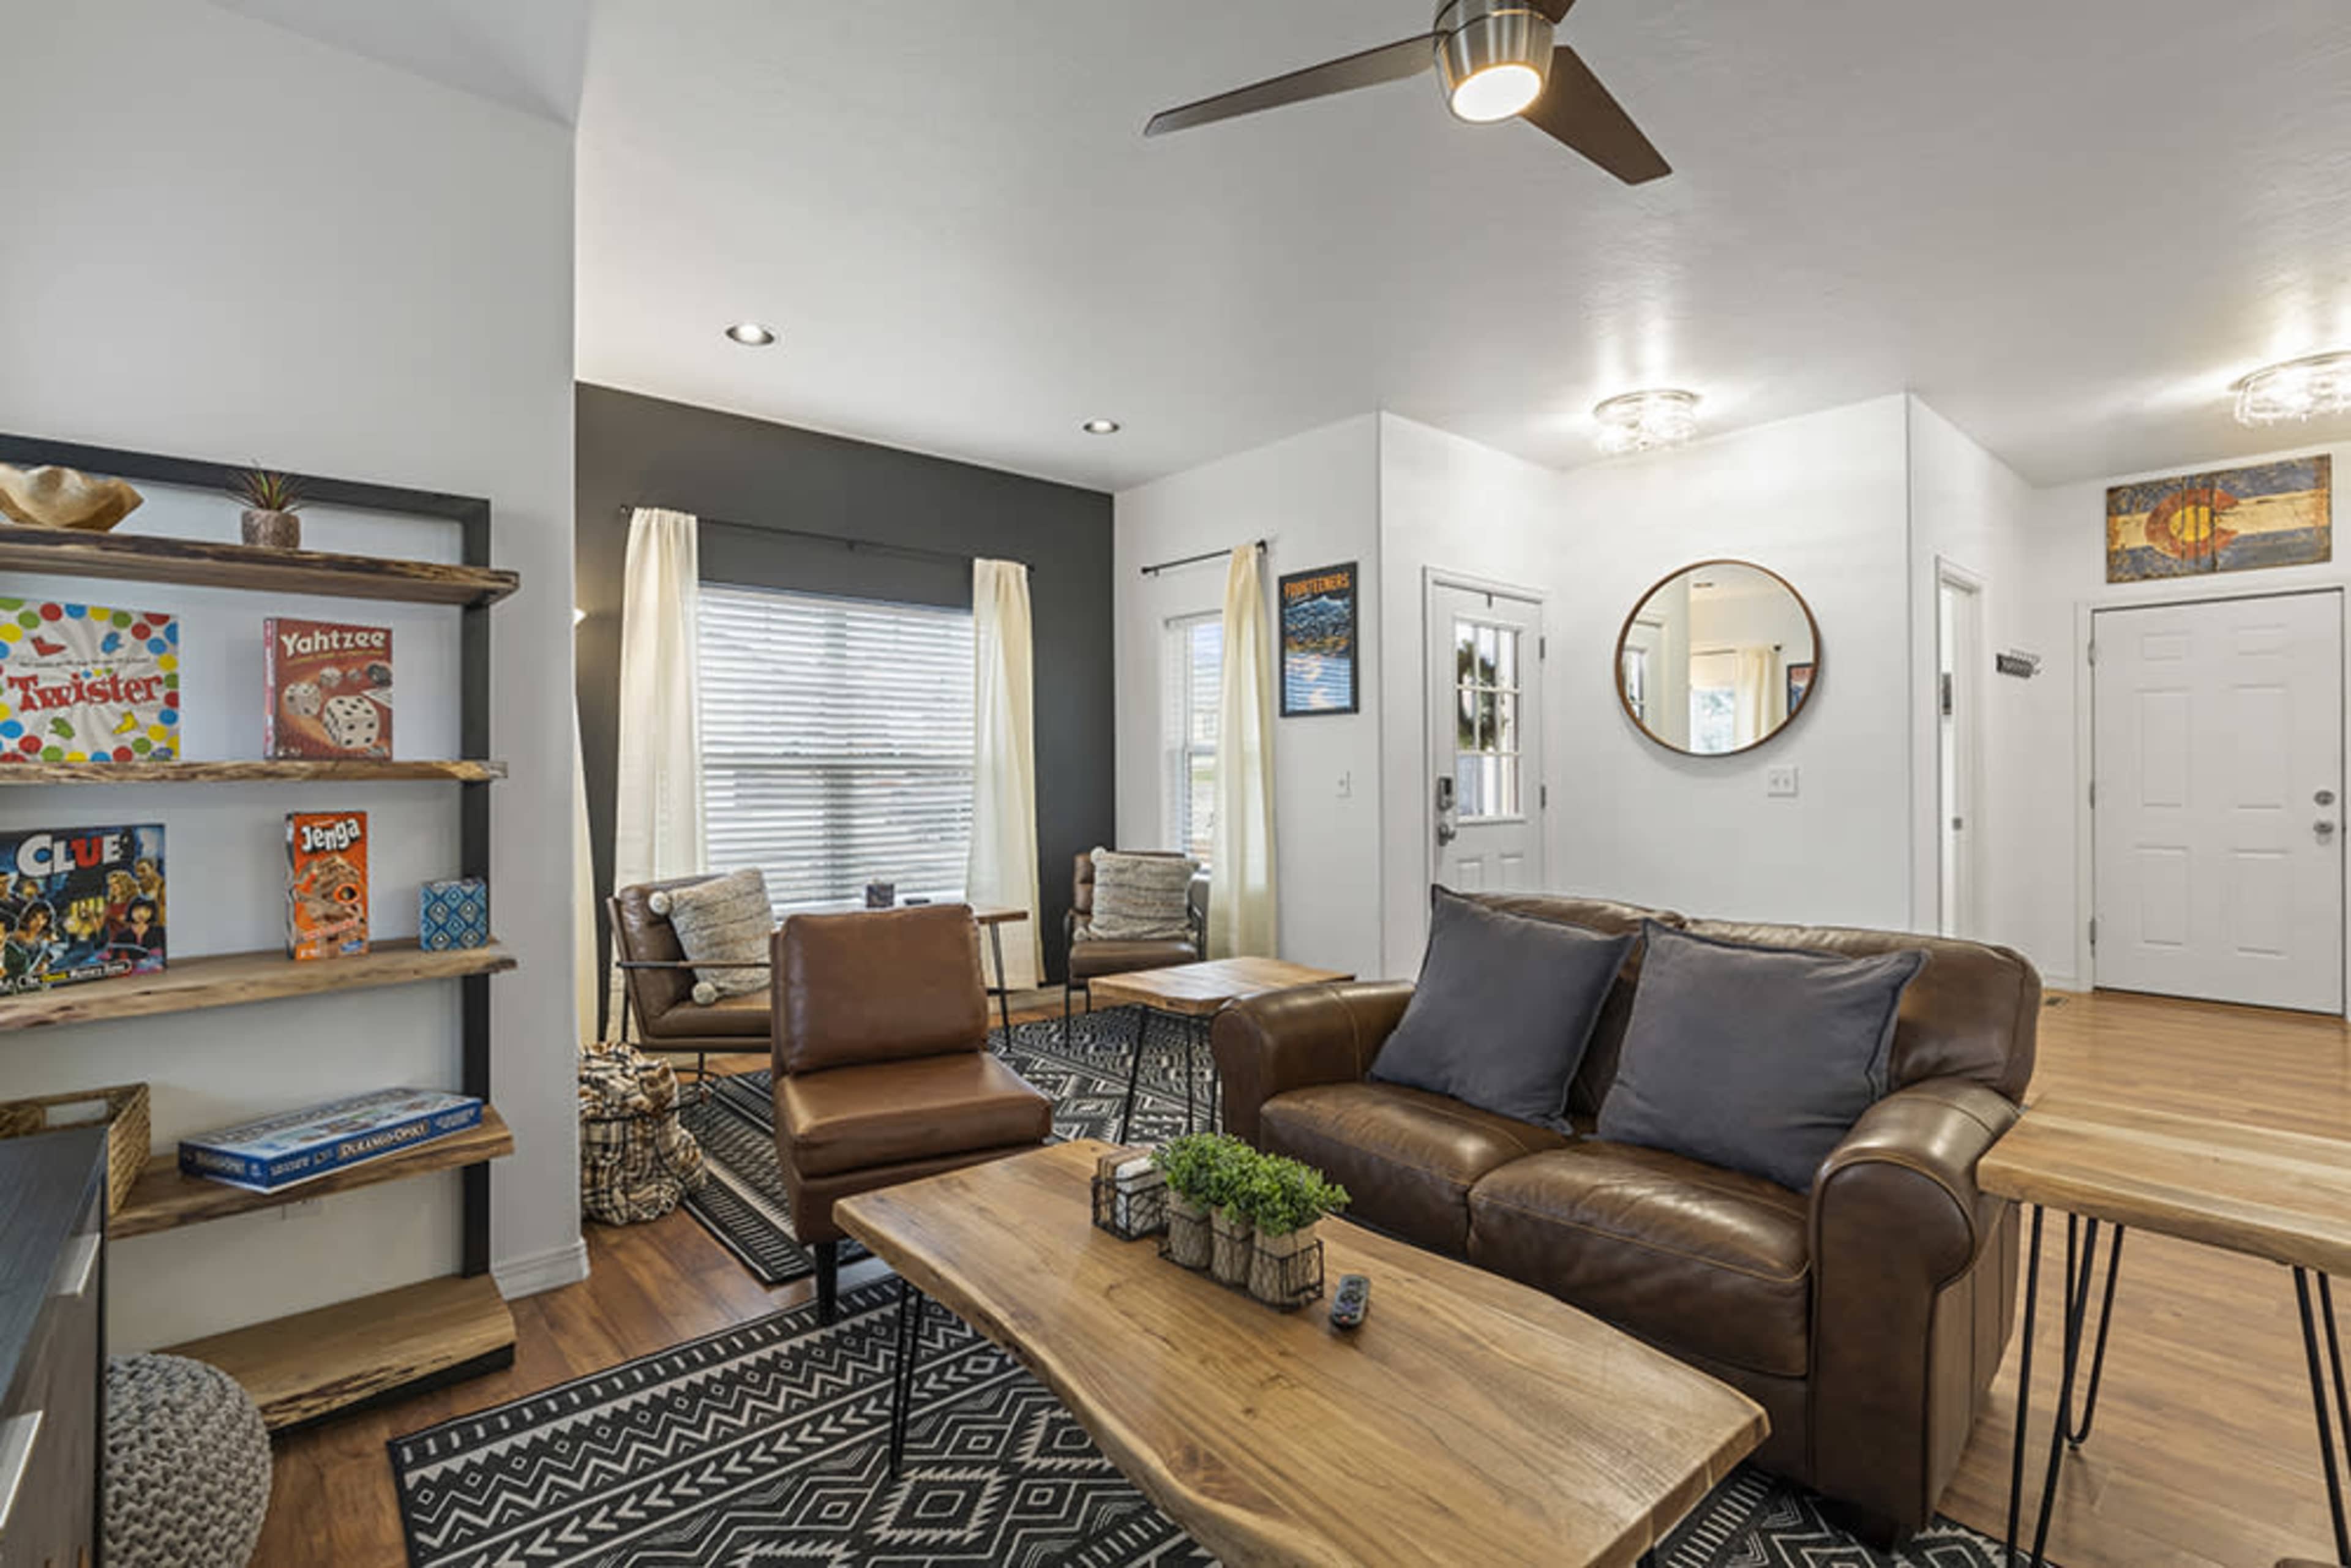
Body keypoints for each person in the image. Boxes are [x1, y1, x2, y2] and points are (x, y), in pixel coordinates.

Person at [3, 901, 58, 993]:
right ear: (28, 918)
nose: (39, 923)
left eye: (44, 918)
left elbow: (58, 949)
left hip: (35, 979)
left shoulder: (47, 938)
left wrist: (47, 960)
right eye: (35, 918)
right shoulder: (14, 937)